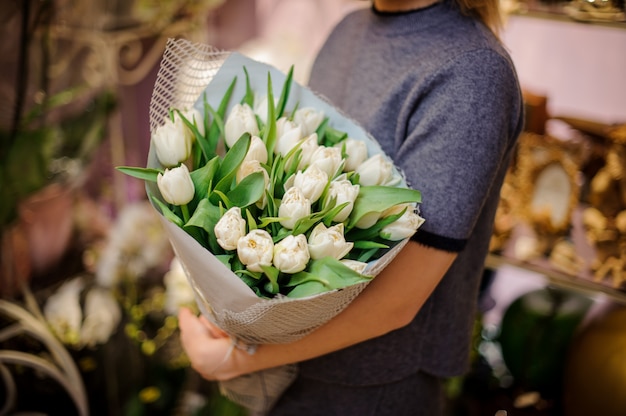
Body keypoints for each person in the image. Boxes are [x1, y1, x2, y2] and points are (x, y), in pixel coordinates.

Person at [178, 0, 524, 414]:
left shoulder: (472, 71)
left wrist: (240, 356)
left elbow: (400, 299)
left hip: (373, 388)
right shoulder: (350, 30)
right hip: (292, 372)